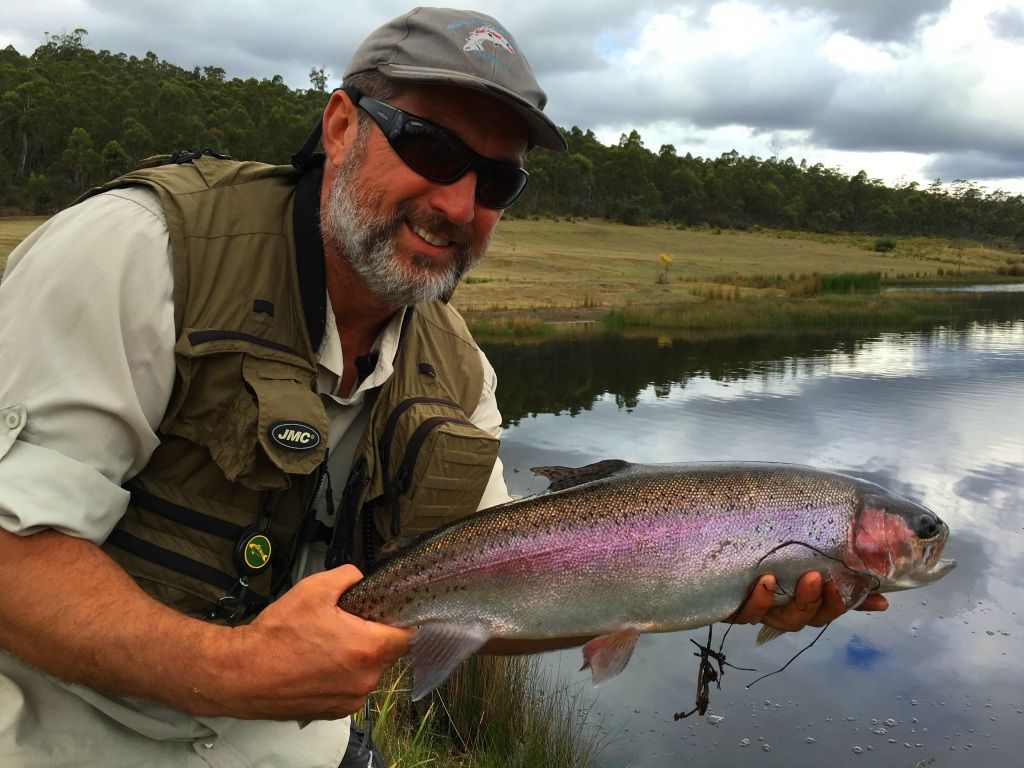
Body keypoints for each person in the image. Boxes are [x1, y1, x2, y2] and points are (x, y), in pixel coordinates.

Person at [0, 7, 886, 767]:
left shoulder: (459, 373)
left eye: (497, 180)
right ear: (341, 126)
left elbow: (513, 589)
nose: (459, 207)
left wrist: (710, 585)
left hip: (299, 745)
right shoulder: (139, 252)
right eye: (428, 146)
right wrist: (233, 670)